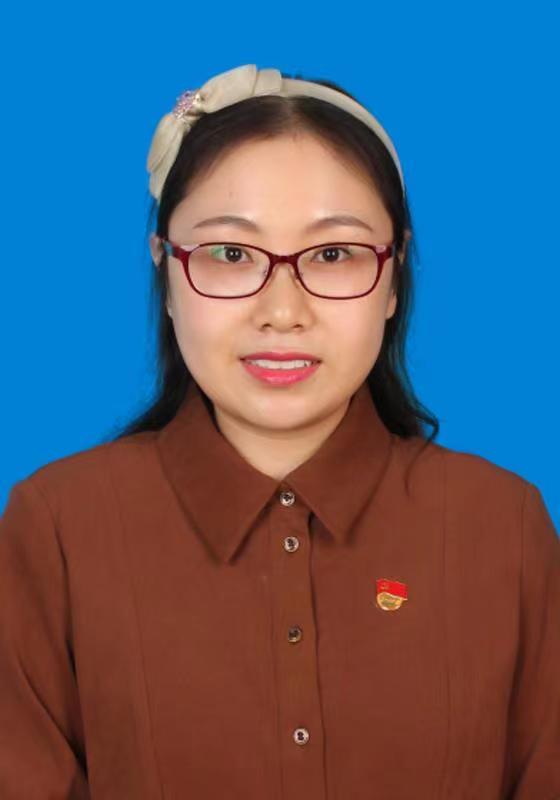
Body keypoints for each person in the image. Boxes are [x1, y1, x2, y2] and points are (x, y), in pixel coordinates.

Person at [0, 63, 558, 799]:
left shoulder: (504, 526)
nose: (283, 311)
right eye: (231, 255)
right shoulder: (57, 528)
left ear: (394, 278)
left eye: (333, 254)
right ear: (165, 271)